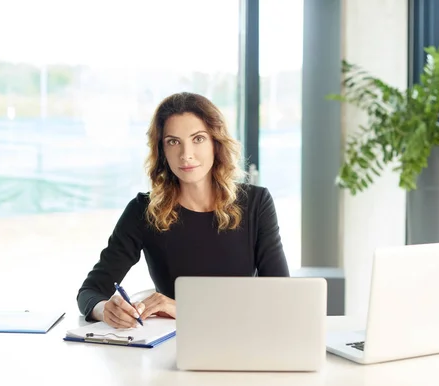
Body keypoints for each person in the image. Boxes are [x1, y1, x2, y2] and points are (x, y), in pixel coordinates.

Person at [77, 92, 290, 328]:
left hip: (242, 337)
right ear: (162, 151)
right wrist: (105, 310)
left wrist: (183, 309)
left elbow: (281, 299)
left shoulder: (256, 203)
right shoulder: (142, 210)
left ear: (215, 143)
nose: (185, 154)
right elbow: (90, 291)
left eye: (198, 139)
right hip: (174, 347)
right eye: (173, 141)